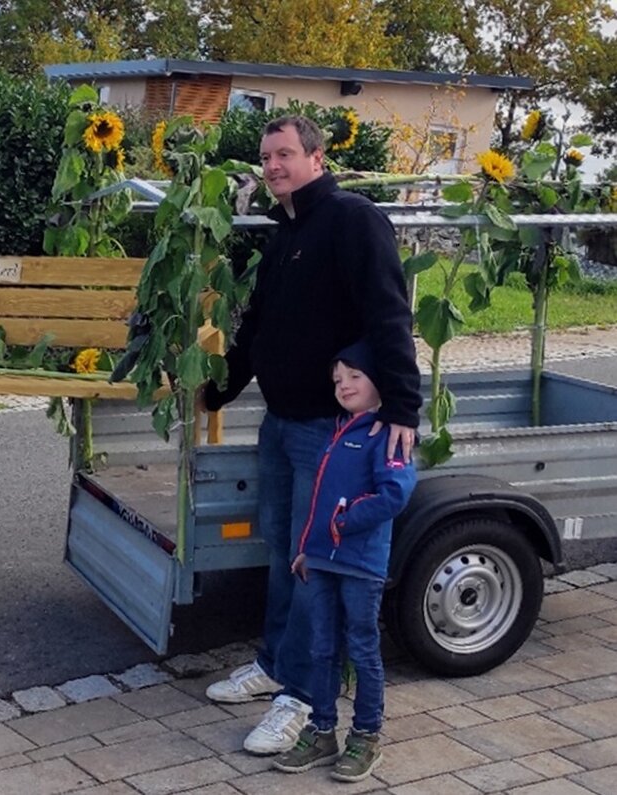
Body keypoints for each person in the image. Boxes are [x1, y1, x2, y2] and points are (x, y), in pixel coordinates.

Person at [199, 115, 421, 754]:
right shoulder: (285, 232)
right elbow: (260, 328)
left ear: (317, 158)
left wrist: (402, 410)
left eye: (286, 154)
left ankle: (300, 699)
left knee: (312, 563)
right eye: (267, 156)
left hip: (331, 431)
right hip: (282, 422)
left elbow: (389, 313)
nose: (273, 166)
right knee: (282, 550)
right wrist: (218, 390)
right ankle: (275, 664)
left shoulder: (353, 220)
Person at [272, 340, 416, 782]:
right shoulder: (338, 432)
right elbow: (318, 501)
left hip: (360, 565)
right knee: (322, 648)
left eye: (355, 376)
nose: (344, 384)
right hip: (322, 561)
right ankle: (321, 732)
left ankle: (366, 737)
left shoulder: (387, 434)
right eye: (338, 379)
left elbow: (395, 493)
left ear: (380, 383)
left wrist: (343, 523)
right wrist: (308, 548)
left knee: (363, 648)